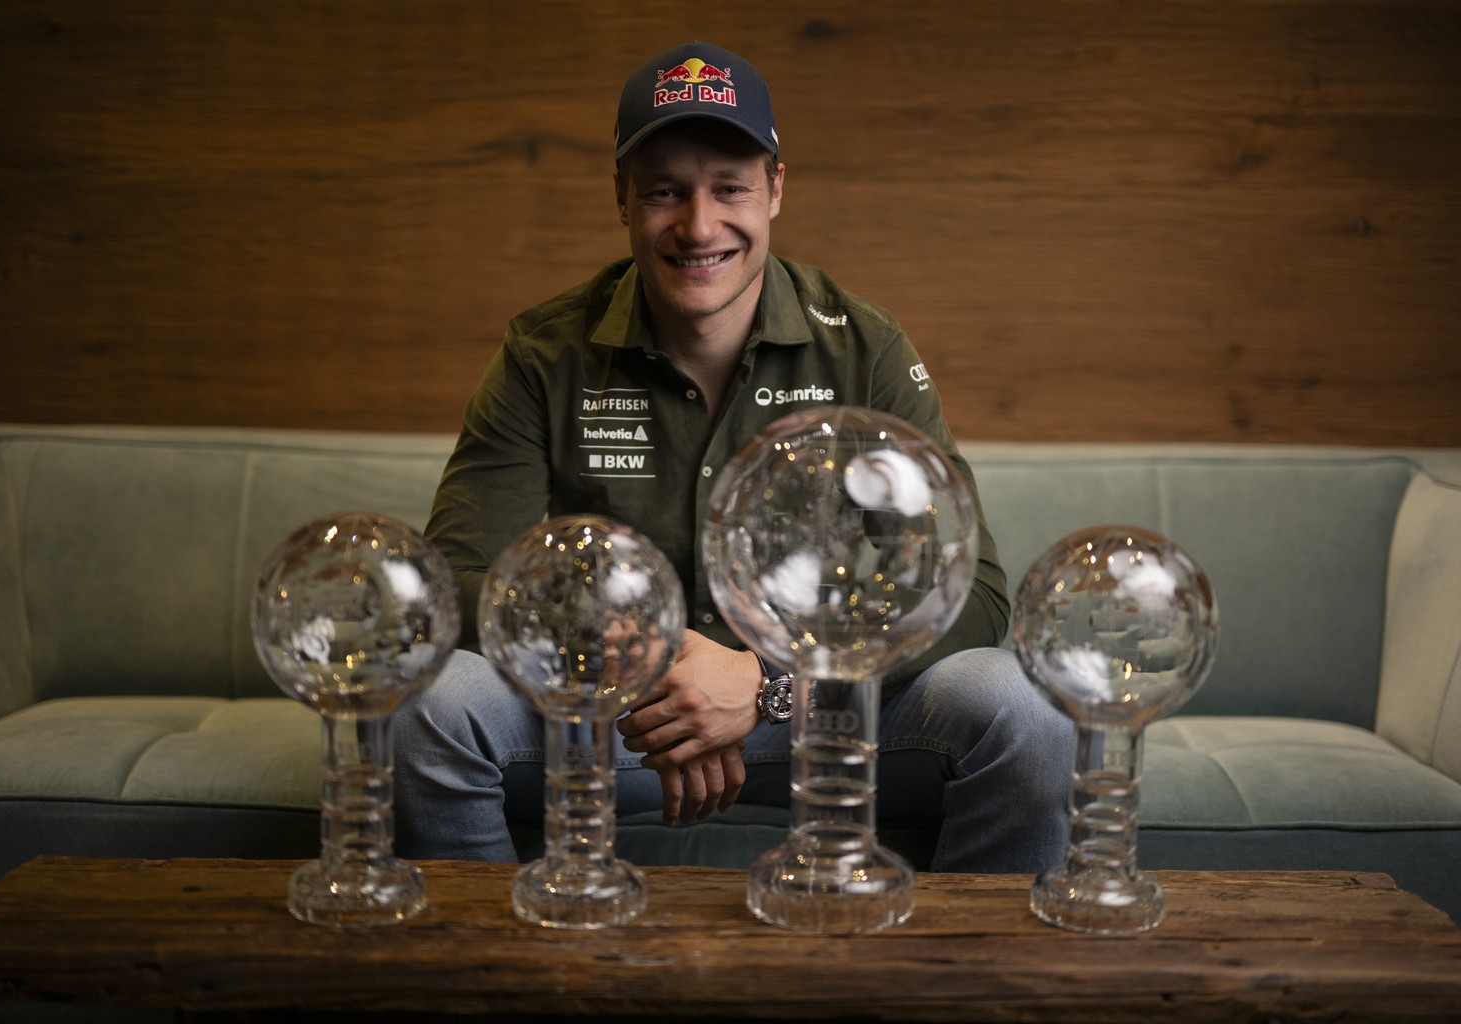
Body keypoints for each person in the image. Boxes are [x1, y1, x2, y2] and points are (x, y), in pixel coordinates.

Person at [392, 41, 1072, 872]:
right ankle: (491, 981)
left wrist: (769, 682)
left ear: (777, 188)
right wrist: (641, 664)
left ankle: (972, 990)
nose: (699, 226)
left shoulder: (864, 348)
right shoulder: (546, 351)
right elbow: (455, 578)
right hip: (613, 720)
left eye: (730, 189)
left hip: (831, 723)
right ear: (621, 197)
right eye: (666, 192)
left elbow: (968, 595)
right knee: (431, 709)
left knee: (1024, 710)